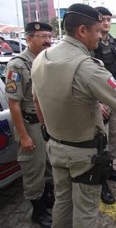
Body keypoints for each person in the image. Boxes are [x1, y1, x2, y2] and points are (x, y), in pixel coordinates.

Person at [31, 3, 116, 228]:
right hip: (83, 154)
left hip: (55, 146)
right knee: (85, 207)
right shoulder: (87, 67)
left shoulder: (42, 58)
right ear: (82, 30)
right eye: (97, 32)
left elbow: (36, 100)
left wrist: (47, 132)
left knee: (63, 200)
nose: (100, 37)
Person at [5, 22, 53, 227]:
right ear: (28, 38)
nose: (47, 40)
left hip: (47, 123)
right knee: (33, 169)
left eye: (49, 36)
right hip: (30, 124)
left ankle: (48, 198)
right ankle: (38, 211)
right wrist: (24, 136)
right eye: (42, 36)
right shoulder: (17, 65)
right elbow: (14, 104)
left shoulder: (47, 60)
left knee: (48, 166)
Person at [93, 6, 116, 205]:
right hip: (99, 101)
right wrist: (96, 102)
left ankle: (109, 168)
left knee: (115, 136)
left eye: (108, 19)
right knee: (99, 141)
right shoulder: (91, 43)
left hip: (114, 96)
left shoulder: (113, 41)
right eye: (102, 19)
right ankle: (100, 181)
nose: (106, 22)